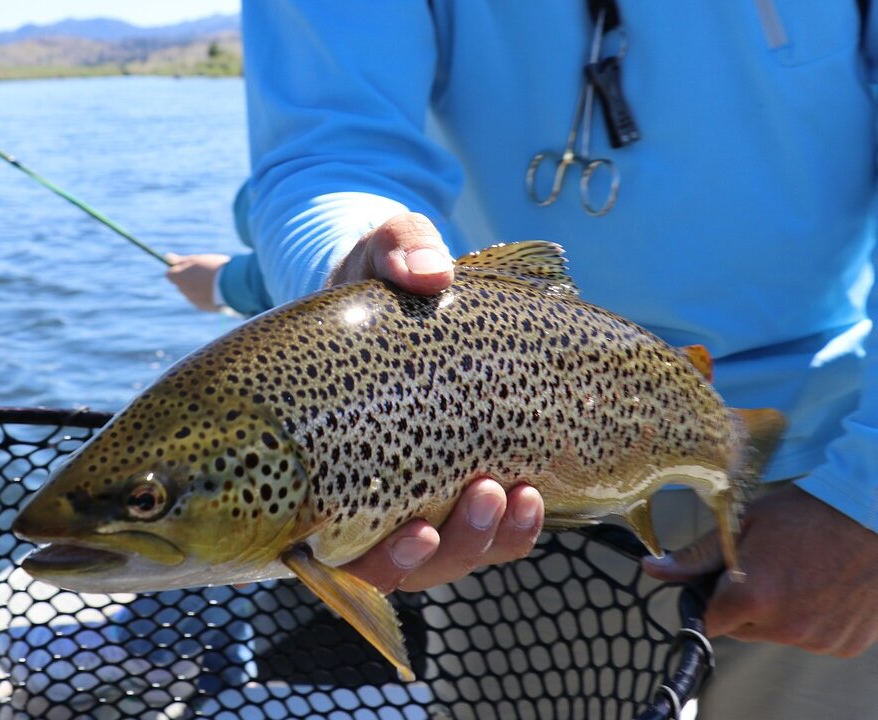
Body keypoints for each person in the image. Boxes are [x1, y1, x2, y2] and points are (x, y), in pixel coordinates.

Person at [167, 2, 878, 716]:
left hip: (834, 451)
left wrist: (865, 499)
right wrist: (350, 266)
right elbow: (329, 145)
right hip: (487, 473)